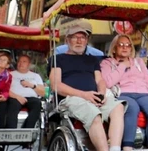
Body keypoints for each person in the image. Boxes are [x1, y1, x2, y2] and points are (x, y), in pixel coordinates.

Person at [51, 19, 126, 151]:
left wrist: (101, 94)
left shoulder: (92, 59)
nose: (79, 41)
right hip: (71, 99)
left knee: (118, 107)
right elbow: (56, 85)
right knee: (93, 114)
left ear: (86, 40)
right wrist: (84, 95)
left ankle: (115, 148)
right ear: (68, 40)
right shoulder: (58, 59)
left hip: (94, 97)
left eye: (83, 37)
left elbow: (100, 81)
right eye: (75, 37)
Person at [102, 34, 148, 150]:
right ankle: (127, 147)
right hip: (123, 93)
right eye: (121, 45)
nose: (125, 48)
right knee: (132, 107)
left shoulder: (138, 62)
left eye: (128, 45)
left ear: (131, 48)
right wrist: (122, 66)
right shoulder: (107, 63)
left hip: (143, 94)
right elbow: (108, 83)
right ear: (114, 48)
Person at [10, 54, 46, 130]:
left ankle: (27, 130)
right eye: (19, 61)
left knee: (37, 104)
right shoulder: (11, 74)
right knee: (12, 105)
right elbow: (5, 89)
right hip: (15, 97)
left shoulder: (36, 76)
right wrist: (17, 96)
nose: (21, 63)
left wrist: (31, 85)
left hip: (31, 98)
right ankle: (11, 131)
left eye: (24, 61)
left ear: (29, 64)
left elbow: (42, 93)